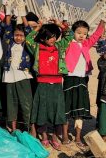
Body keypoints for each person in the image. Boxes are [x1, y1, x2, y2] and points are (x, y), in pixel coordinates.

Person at [25, 20, 72, 149]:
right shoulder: (37, 47)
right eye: (48, 37)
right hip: (42, 83)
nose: (51, 39)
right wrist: (38, 27)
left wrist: (61, 26)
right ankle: (44, 137)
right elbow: (28, 38)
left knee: (57, 111)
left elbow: (70, 36)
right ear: (42, 37)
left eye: (53, 36)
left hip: (57, 83)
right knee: (42, 111)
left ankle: (54, 137)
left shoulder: (59, 46)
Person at [62, 19, 105, 148]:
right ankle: (64, 135)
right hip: (70, 77)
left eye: (84, 33)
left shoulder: (86, 44)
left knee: (80, 108)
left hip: (83, 78)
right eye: (78, 32)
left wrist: (102, 25)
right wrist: (64, 23)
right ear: (73, 32)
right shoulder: (69, 42)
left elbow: (96, 36)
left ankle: (78, 137)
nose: (81, 35)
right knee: (66, 107)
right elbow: (65, 31)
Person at [2, 14, 34, 134]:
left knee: (26, 103)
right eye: (17, 35)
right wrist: (8, 12)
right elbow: (8, 27)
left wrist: (23, 14)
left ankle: (29, 128)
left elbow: (29, 30)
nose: (19, 38)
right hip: (10, 77)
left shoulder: (27, 45)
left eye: (21, 36)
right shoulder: (10, 42)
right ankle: (13, 129)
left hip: (23, 77)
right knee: (11, 104)